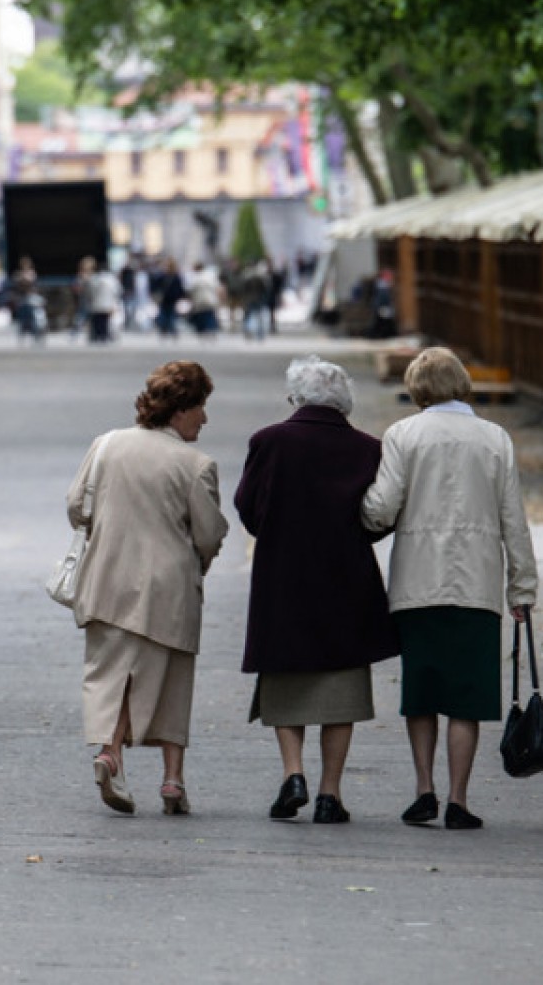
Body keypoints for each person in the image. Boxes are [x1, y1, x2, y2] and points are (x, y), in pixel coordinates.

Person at [361, 347, 538, 831]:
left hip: (418, 582)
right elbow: (513, 520)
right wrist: (521, 587)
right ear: (461, 382)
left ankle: (425, 791)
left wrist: (360, 512)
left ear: (417, 388)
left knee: (421, 694)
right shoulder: (495, 439)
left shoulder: (403, 435)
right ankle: (459, 798)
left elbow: (382, 506)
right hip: (477, 584)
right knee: (467, 698)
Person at [235, 357, 399, 824]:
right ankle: (330, 793)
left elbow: (248, 509)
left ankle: (293, 774)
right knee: (340, 687)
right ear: (344, 402)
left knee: (285, 678)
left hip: (282, 578)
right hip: (346, 579)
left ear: (296, 398)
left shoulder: (268, 442)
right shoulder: (368, 449)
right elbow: (379, 515)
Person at [66, 361, 229, 816]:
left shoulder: (106, 445)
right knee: (173, 677)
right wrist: (202, 557)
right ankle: (172, 781)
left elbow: (77, 506)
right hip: (168, 588)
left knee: (109, 673)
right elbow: (209, 535)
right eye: (201, 408)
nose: (205, 419)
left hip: (106, 578)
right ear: (180, 410)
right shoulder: (196, 465)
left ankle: (109, 752)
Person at [75, 256, 121, 344]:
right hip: (108, 304)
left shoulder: (93, 279)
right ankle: (104, 336)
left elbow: (89, 291)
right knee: (105, 321)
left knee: (97, 321)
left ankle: (98, 336)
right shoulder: (111, 279)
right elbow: (117, 291)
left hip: (96, 303)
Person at [8, 256, 43, 344]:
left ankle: (36, 336)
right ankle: (22, 337)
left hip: (30, 298)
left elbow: (35, 285)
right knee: (22, 319)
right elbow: (15, 285)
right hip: (21, 298)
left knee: (32, 318)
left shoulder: (32, 274)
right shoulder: (18, 274)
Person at [187, 263, 221, 339]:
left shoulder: (194, 278)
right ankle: (211, 329)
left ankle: (203, 330)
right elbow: (217, 287)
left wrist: (190, 300)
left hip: (199, 301)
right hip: (210, 299)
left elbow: (190, 290)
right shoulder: (210, 276)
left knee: (201, 316)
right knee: (210, 315)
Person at [155, 258, 185, 339]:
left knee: (167, 315)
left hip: (168, 298)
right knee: (168, 315)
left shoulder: (169, 276)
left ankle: (168, 330)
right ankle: (169, 330)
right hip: (169, 299)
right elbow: (180, 288)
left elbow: (180, 288)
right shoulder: (172, 276)